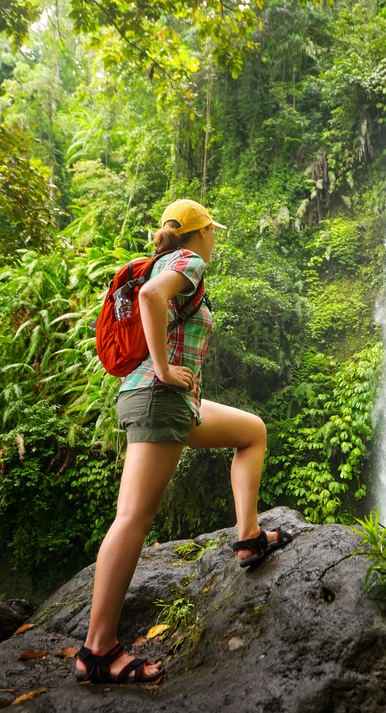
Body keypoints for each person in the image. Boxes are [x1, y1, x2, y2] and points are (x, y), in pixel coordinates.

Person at [75, 199, 293, 684]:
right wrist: (164, 368)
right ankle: (97, 652)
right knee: (132, 518)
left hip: (169, 400)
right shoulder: (186, 263)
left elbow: (153, 301)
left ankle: (248, 538)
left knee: (251, 431)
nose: (214, 239)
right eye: (212, 231)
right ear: (199, 234)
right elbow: (152, 297)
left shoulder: (159, 262)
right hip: (159, 397)